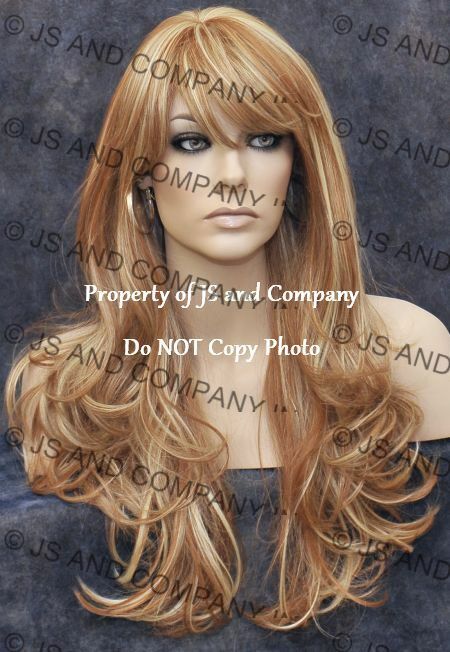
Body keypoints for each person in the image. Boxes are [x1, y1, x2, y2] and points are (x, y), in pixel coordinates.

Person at [5, 5, 449, 638]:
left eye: (264, 140)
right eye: (191, 142)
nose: (234, 177)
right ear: (141, 172)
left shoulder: (403, 353)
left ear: (299, 163)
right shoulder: (63, 385)